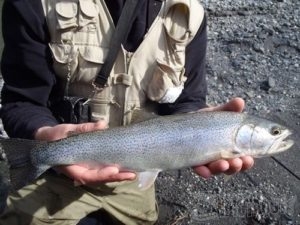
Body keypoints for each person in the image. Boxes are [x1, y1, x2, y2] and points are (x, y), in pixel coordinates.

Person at [0, 0, 254, 224]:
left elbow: (185, 102)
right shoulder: (36, 4)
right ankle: (31, 161)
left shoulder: (188, 14)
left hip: (135, 172)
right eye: (274, 132)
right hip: (57, 173)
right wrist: (44, 133)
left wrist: (199, 125)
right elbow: (21, 103)